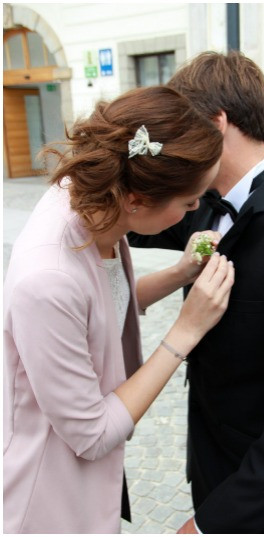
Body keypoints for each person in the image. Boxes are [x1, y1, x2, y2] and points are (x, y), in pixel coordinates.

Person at [128, 51, 264, 533]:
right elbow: (133, 220)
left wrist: (215, 523)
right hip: (209, 457)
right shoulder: (203, 200)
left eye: (182, 131)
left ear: (216, 122)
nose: (172, 148)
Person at [3, 85, 235, 533]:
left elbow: (103, 305)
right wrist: (186, 330)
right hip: (48, 501)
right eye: (189, 203)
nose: (195, 211)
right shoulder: (47, 279)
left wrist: (180, 272)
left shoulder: (95, 200)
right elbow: (91, 435)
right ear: (137, 200)